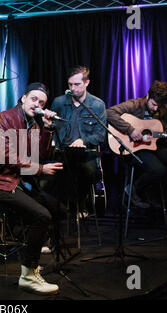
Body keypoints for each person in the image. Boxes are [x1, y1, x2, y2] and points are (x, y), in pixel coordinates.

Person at [0, 82, 64, 295]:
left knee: (56, 207)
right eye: (34, 99)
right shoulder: (6, 118)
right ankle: (28, 275)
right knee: (41, 215)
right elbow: (5, 155)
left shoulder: (34, 125)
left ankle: (32, 254)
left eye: (42, 102)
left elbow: (41, 155)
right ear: (23, 98)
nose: (37, 104)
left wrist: (47, 127)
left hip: (17, 180)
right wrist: (40, 169)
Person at [106, 80, 167, 208]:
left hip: (152, 147)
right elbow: (109, 113)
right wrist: (130, 130)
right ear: (148, 96)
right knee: (159, 170)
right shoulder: (135, 105)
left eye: (159, 106)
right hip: (132, 149)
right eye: (154, 104)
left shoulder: (164, 110)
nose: (156, 108)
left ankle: (165, 201)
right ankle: (133, 189)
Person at [50, 66, 107, 211]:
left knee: (88, 172)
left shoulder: (97, 105)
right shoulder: (59, 102)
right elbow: (51, 128)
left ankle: (77, 207)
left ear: (87, 82)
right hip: (61, 152)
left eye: (77, 84)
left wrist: (83, 141)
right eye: (70, 84)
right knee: (50, 177)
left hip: (85, 153)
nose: (73, 88)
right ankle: (60, 212)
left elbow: (101, 135)